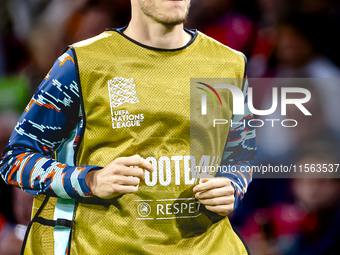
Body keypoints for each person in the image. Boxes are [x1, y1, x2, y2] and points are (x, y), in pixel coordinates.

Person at [0, 0, 256, 254]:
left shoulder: (230, 64)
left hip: (210, 247)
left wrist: (232, 185)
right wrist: (91, 179)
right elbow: (15, 160)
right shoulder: (81, 64)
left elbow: (241, 155)